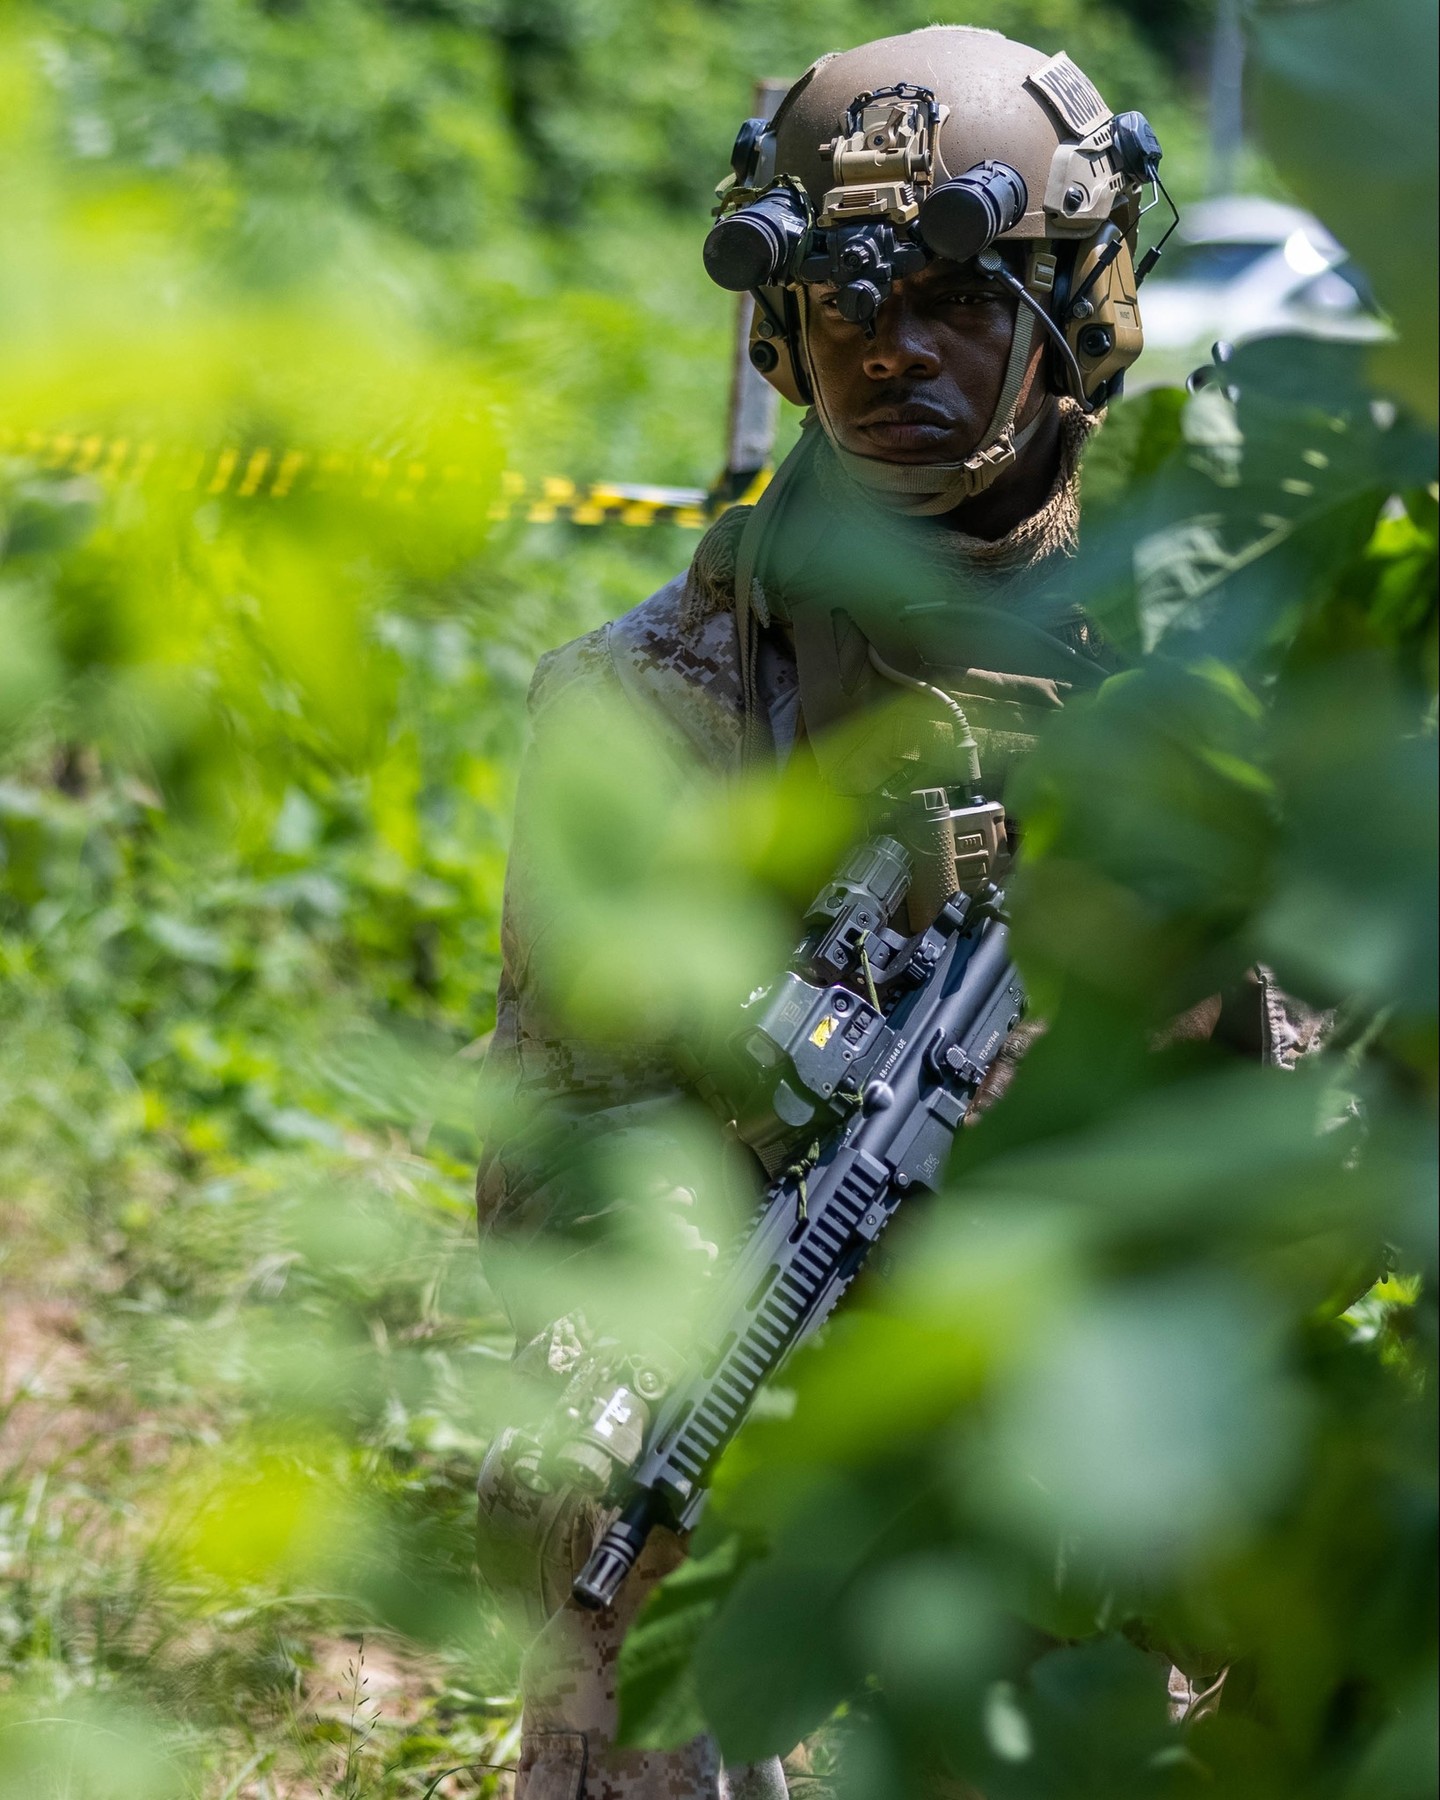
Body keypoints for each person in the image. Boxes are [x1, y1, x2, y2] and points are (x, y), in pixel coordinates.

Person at [473, 27, 1327, 1800]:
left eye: (954, 297)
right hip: (767, 1306)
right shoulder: (657, 700)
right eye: (842, 306)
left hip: (1119, 1325)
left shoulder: (1231, 667)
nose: (889, 351)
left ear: (1077, 309)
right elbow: (554, 1142)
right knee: (597, 1437)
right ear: (778, 330)